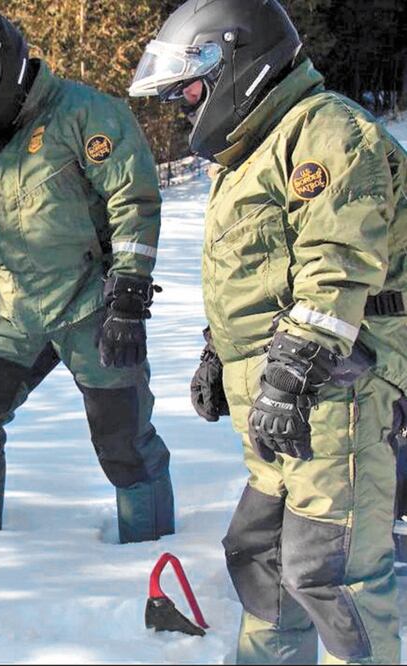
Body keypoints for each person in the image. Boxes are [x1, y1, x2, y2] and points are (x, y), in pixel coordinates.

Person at [130, 0, 407, 662]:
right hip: (285, 399)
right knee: (261, 555)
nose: (183, 108)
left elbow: (334, 267)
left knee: (330, 571)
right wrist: (218, 353)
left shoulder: (326, 134)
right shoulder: (252, 151)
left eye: (188, 91)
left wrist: (289, 373)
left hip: (336, 388)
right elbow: (258, 279)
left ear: (238, 65)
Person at [0, 5, 174, 543]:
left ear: (2, 72)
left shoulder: (84, 115)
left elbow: (133, 200)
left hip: (92, 304)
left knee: (121, 437)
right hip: (18, 309)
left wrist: (129, 296)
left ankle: (149, 547)